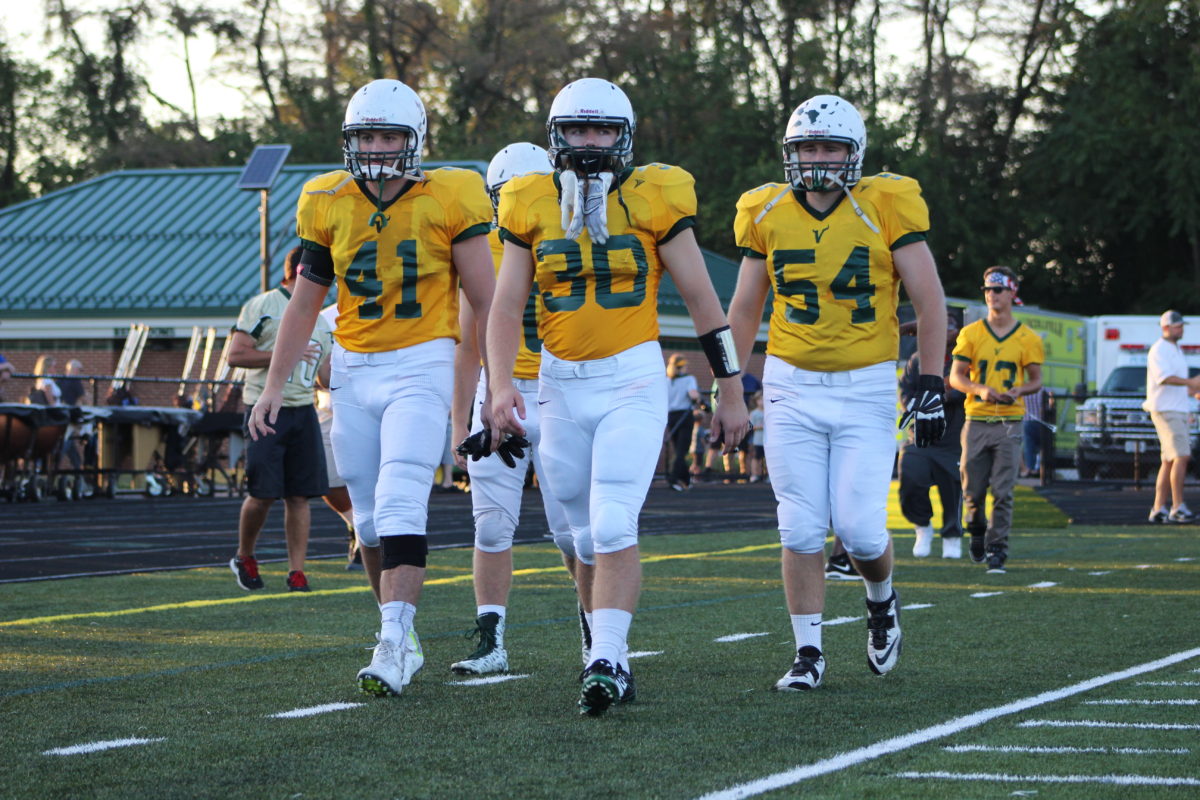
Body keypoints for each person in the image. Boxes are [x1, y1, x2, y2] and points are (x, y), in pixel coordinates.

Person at [487, 78, 750, 716]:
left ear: (624, 136)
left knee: (610, 522)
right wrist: (498, 387)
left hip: (631, 378)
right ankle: (597, 640)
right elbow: (503, 308)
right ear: (555, 137)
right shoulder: (527, 200)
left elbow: (703, 302)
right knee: (576, 538)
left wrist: (732, 391)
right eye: (576, 130)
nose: (588, 142)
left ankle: (609, 657)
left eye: (601, 130)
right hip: (557, 385)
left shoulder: (656, 196)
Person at [248, 78, 496, 698]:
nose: (378, 148)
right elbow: (305, 304)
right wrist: (276, 384)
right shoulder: (327, 198)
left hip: (423, 358)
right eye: (367, 137)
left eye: (390, 136)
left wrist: (493, 387)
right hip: (354, 367)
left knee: (400, 494)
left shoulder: (452, 194)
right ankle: (398, 634)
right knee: (368, 523)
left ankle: (392, 638)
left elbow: (487, 299)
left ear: (415, 141)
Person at [727, 93, 948, 692]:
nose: (817, 158)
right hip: (791, 383)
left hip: (866, 385)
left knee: (860, 530)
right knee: (798, 527)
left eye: (829, 147)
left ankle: (880, 599)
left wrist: (930, 383)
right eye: (807, 147)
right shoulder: (766, 208)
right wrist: (730, 384)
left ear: (855, 154)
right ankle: (807, 651)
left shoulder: (885, 204)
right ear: (789, 153)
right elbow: (745, 306)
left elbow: (929, 301)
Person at [449, 141, 585, 676]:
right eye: (508, 194)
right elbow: (466, 344)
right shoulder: (481, 248)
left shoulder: (570, 233)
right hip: (498, 391)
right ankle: (491, 641)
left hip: (558, 391)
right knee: (490, 526)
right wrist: (463, 418)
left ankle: (595, 635)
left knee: (573, 530)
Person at [228, 246, 333, 593]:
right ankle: (245, 555)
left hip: (304, 408)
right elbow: (236, 354)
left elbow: (324, 375)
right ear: (304, 269)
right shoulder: (263, 305)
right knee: (262, 493)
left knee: (301, 495)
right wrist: (284, 353)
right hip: (265, 407)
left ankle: (297, 570)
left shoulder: (320, 316)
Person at [949, 266, 1044, 573]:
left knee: (1003, 491)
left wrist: (1019, 389)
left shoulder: (1027, 337)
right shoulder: (971, 333)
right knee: (973, 493)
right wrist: (980, 389)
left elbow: (1036, 380)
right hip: (976, 420)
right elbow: (956, 377)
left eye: (998, 289)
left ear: (1012, 292)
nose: (992, 295)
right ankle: (976, 531)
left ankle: (998, 549)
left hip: (1009, 422)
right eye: (988, 289)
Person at [315, 302, 373, 585]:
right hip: (332, 408)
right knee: (327, 479)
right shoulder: (325, 316)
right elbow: (319, 374)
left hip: (378, 406)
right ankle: (358, 526)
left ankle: (374, 537)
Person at [899, 316, 966, 558]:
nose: (944, 330)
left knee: (952, 490)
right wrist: (923, 402)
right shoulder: (918, 359)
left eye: (950, 325)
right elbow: (906, 392)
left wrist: (936, 398)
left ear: (958, 332)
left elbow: (961, 391)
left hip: (952, 438)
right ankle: (922, 527)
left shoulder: (964, 360)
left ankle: (951, 536)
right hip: (920, 436)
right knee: (910, 480)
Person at [1144, 310, 1200, 524]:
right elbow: (1164, 379)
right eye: (1177, 326)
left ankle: (1158, 508)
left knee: (1168, 461)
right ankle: (1177, 507)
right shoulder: (1159, 349)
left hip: (1176, 408)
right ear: (1165, 327)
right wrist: (1192, 383)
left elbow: (1176, 383)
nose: (1181, 329)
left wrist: (1191, 391)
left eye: (1181, 326)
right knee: (1181, 457)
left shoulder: (1175, 349)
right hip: (1167, 410)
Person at [665, 353, 701, 490]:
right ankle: (673, 479)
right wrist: (698, 399)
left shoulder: (666, 381)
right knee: (681, 450)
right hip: (684, 415)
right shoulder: (689, 379)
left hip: (671, 416)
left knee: (678, 449)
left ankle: (685, 479)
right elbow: (693, 394)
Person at [1021, 386, 1048, 478]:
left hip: (1027, 421)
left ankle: (1030, 468)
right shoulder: (1044, 390)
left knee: (1029, 447)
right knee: (1043, 447)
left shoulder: (1024, 391)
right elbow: (1049, 405)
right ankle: (1041, 469)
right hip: (1041, 421)